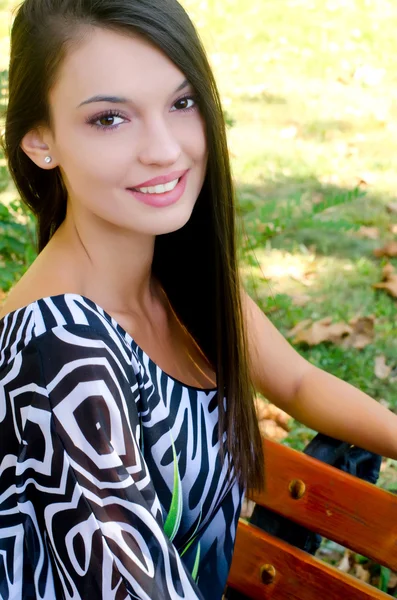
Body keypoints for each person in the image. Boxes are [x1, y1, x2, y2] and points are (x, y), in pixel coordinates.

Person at [0, 0, 396, 599]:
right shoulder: (59, 349)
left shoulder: (176, 273)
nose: (165, 149)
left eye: (181, 103)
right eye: (110, 118)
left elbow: (296, 383)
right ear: (39, 140)